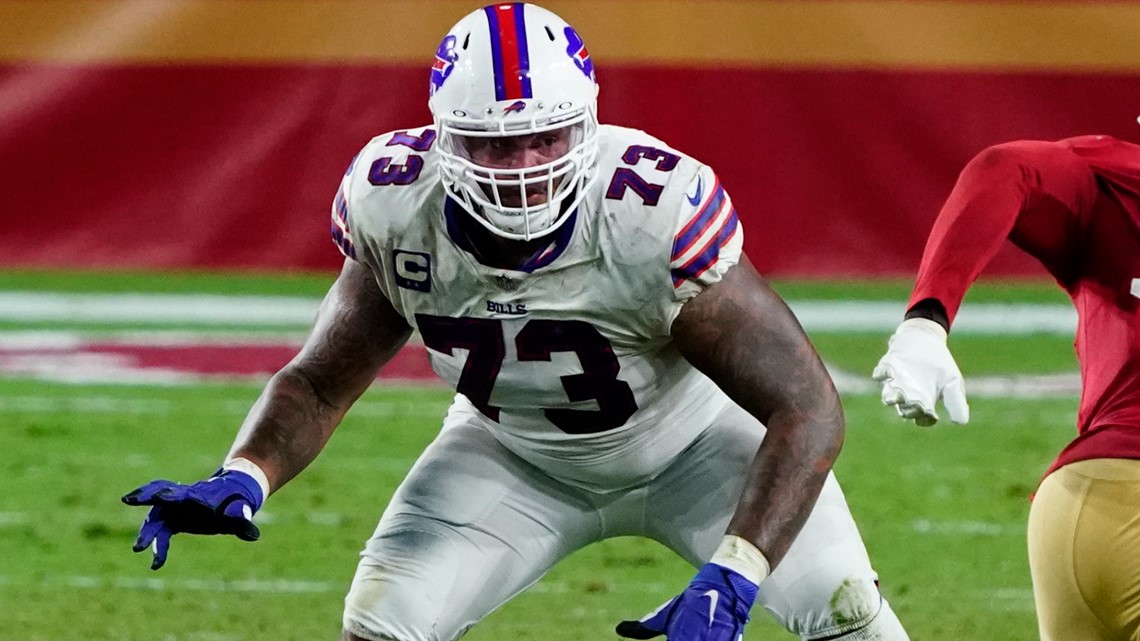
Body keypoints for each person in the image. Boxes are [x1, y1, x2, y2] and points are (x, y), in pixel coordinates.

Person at [122, 4, 910, 640]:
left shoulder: (651, 214)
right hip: (513, 456)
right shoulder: (395, 209)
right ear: (443, 137)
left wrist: (738, 567)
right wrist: (245, 473)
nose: (525, 167)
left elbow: (807, 404)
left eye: (546, 137)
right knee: (382, 620)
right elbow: (321, 381)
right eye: (493, 145)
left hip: (699, 449)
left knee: (845, 610)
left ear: (587, 125)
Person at [873, 134, 1140, 641]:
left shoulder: (1123, 181)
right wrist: (926, 319)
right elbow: (1004, 170)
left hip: (1092, 506)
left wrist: (926, 321)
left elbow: (1004, 169)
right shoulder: (1121, 182)